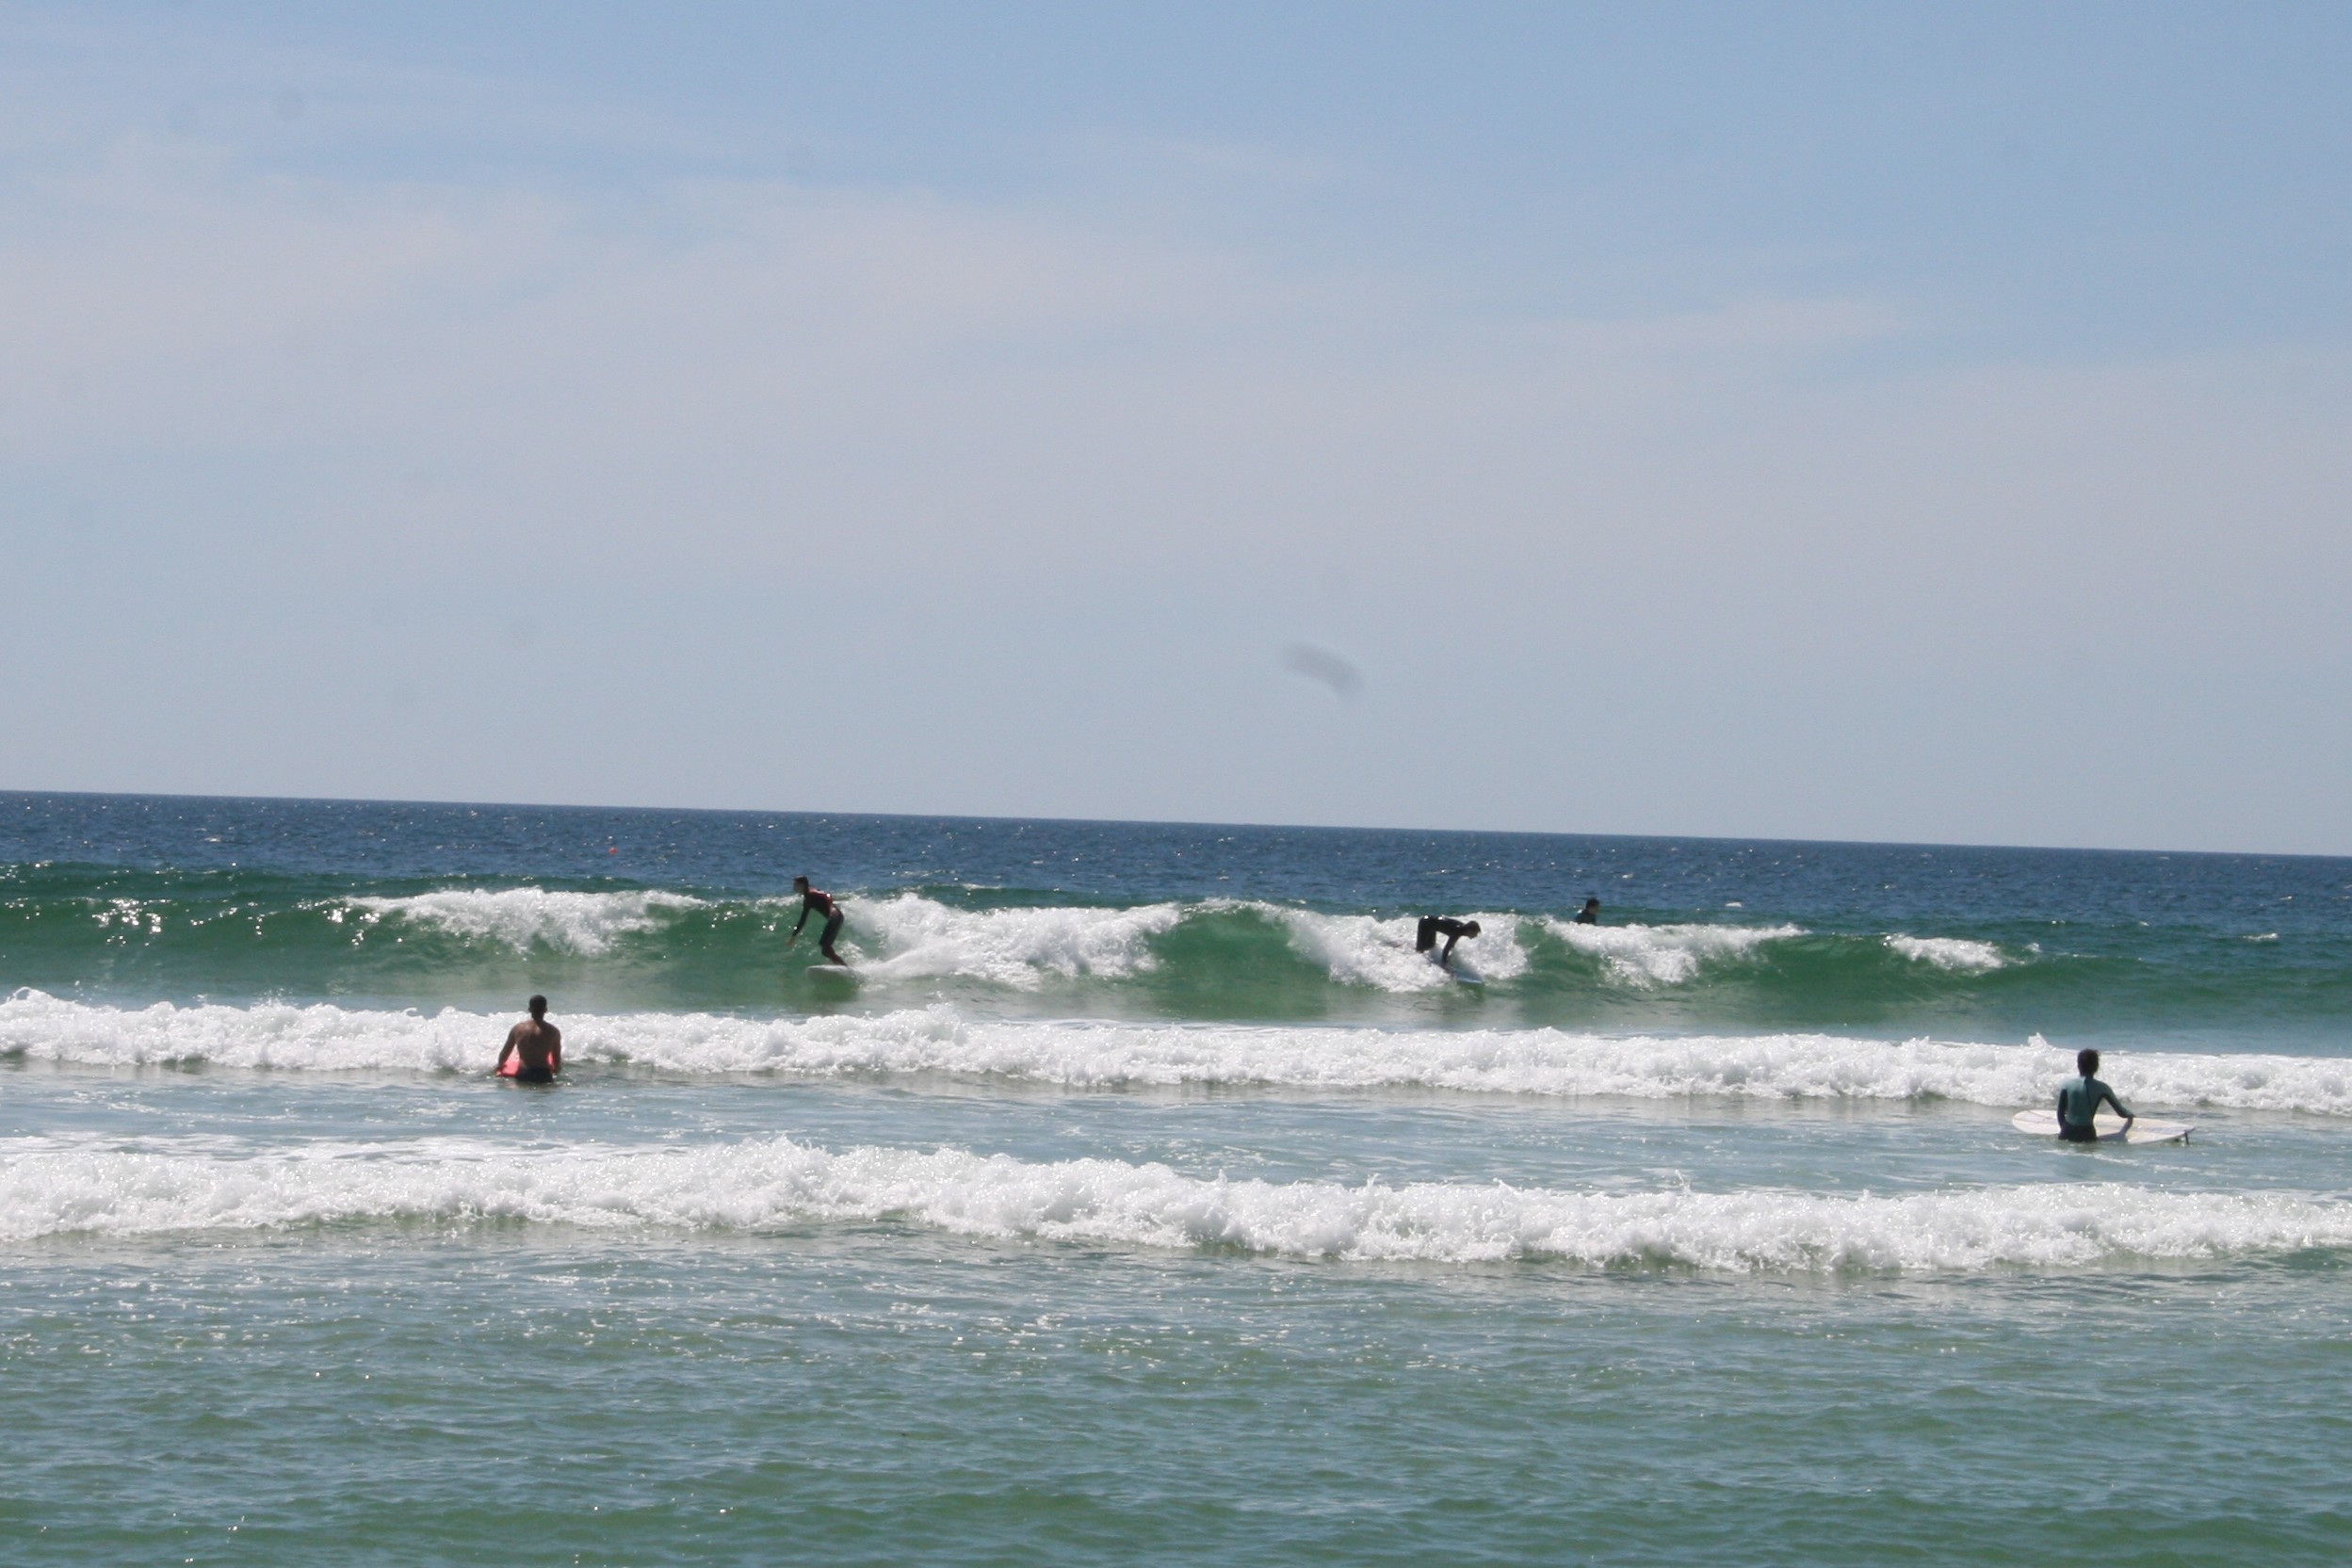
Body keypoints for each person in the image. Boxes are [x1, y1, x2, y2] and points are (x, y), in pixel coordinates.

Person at [2055, 1047, 2133, 1141]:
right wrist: (2131, 1115)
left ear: (2078, 1065)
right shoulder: (2102, 1088)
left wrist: (2065, 1129)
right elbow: (2122, 1112)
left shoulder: (2066, 1085)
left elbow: (2060, 1113)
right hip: (2087, 1134)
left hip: (2066, 1132)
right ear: (2096, 1067)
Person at [496, 994, 562, 1084]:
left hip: (524, 1073)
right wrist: (556, 1071)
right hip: (543, 1074)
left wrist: (500, 1067)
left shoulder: (518, 1029)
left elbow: (504, 1054)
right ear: (546, 1010)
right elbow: (556, 1060)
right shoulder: (553, 1031)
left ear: (529, 1009)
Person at [787, 875, 850, 967]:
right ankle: (843, 967)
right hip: (836, 917)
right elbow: (803, 919)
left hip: (835, 916)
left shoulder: (811, 893)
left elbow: (826, 896)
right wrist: (794, 935)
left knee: (824, 945)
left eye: (795, 885)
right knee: (825, 950)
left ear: (802, 885)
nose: (794, 888)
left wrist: (831, 907)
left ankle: (844, 967)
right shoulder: (807, 899)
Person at [1414, 914, 1482, 970]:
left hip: (1431, 925)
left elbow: (1451, 946)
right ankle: (1415, 963)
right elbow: (1446, 949)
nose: (1475, 936)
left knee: (1430, 946)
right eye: (1475, 933)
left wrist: (1449, 959)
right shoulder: (1458, 930)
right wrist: (1444, 964)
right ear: (1469, 930)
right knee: (1420, 949)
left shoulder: (1462, 930)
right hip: (1425, 923)